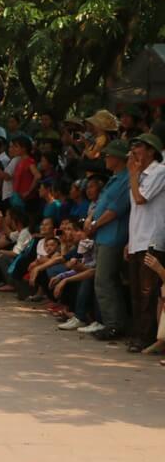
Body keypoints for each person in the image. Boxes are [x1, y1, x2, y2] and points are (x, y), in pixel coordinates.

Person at [85, 140, 131, 341]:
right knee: (107, 281)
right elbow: (101, 205)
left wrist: (95, 225)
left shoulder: (126, 179)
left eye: (109, 155)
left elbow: (114, 210)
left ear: (119, 158)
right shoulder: (114, 179)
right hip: (104, 234)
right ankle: (113, 323)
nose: (105, 158)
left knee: (104, 281)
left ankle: (114, 325)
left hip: (114, 235)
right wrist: (90, 220)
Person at [125, 133, 165, 352]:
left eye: (138, 146)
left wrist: (132, 174)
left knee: (148, 291)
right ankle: (138, 334)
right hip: (137, 239)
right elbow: (136, 211)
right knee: (136, 290)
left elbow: (141, 199)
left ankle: (146, 336)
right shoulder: (139, 174)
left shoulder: (159, 171)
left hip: (151, 240)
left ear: (151, 150)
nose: (134, 151)